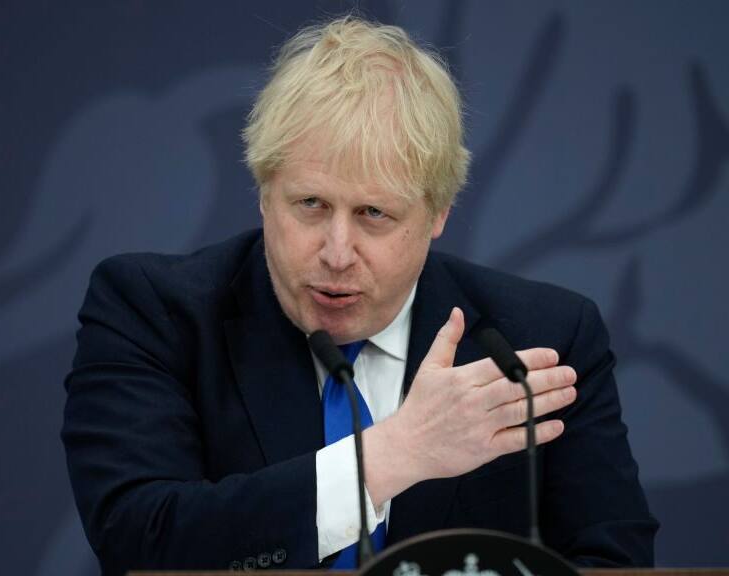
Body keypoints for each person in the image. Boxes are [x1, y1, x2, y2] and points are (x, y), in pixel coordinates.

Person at [62, 16, 658, 575]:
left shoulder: (541, 341)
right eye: (311, 205)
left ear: (439, 213)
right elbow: (138, 540)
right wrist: (395, 454)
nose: (337, 252)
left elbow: (614, 560)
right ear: (264, 191)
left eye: (374, 213)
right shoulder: (153, 311)